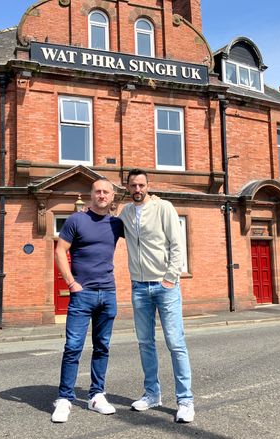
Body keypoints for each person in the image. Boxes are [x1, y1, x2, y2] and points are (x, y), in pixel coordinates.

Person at [119, 168, 195, 423]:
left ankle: (185, 401)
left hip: (165, 287)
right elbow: (105, 224)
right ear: (127, 187)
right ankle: (152, 394)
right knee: (145, 343)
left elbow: (177, 244)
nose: (137, 190)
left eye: (141, 185)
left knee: (175, 343)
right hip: (139, 287)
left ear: (147, 185)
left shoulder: (164, 208)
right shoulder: (126, 213)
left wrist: (170, 279)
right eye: (133, 186)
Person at [51, 178, 124, 423]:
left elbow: (143, 227)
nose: (102, 195)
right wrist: (71, 283)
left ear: (113, 197)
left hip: (109, 293)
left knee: (102, 347)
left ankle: (96, 395)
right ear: (91, 195)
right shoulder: (76, 219)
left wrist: (153, 200)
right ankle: (64, 398)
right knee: (73, 348)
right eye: (98, 191)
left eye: (106, 192)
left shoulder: (117, 224)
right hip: (82, 295)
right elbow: (60, 250)